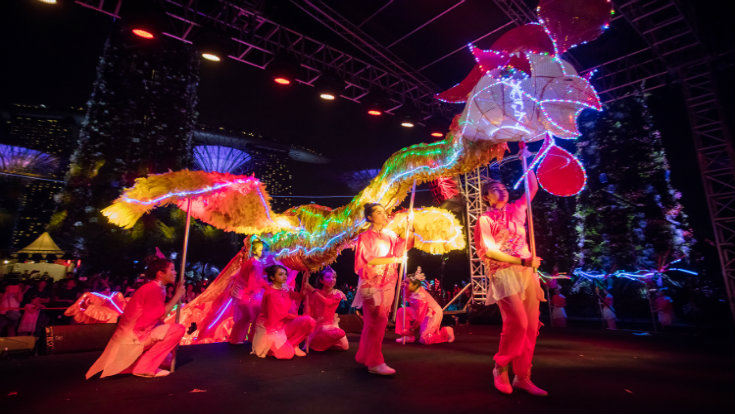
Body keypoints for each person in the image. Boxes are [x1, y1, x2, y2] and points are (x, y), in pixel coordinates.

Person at [474, 170, 548, 396]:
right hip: (503, 273)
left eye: (504, 188)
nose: (502, 191)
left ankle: (523, 376)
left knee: (531, 327)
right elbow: (489, 252)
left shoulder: (517, 209)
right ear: (487, 196)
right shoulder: (485, 220)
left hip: (526, 272)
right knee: (518, 322)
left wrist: (528, 161)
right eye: (496, 189)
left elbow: (532, 188)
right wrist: (523, 260)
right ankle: (500, 366)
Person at [86, 258, 185, 379]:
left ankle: (142, 364)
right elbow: (161, 315)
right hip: (135, 337)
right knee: (178, 330)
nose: (175, 273)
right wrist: (177, 296)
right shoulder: (152, 288)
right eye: (172, 269)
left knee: (166, 332)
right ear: (160, 273)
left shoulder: (158, 288)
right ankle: (145, 367)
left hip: (137, 333)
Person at [352, 202, 414, 375]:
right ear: (370, 217)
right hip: (371, 285)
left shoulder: (391, 235)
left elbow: (403, 248)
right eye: (378, 212)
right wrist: (394, 260)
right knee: (377, 321)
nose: (384, 215)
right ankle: (375, 362)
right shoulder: (364, 236)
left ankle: (365, 355)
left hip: (388, 283)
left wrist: (410, 229)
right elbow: (369, 259)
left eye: (384, 212)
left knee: (375, 322)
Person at [251, 265, 315, 359]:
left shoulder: (285, 289)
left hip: (282, 325)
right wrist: (298, 318)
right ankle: (272, 348)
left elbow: (300, 296)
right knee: (287, 355)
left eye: (285, 274)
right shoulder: (270, 293)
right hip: (271, 328)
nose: (285, 277)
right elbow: (279, 316)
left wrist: (304, 279)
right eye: (281, 274)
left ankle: (293, 344)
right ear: (272, 277)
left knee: (309, 321)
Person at [395, 267, 455, 345]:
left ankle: (446, 332)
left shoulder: (420, 296)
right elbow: (406, 301)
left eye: (407, 282)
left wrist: (411, 329)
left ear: (414, 284)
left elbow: (420, 316)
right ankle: (408, 337)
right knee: (402, 311)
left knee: (425, 339)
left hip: (431, 313)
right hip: (419, 311)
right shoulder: (410, 290)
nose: (404, 284)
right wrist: (404, 289)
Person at [229, 238, 267, 345]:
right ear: (254, 251)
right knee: (250, 316)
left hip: (244, 294)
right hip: (245, 295)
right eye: (260, 249)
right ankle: (239, 339)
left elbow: (257, 280)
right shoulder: (255, 264)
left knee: (250, 316)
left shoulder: (255, 262)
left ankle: (240, 339)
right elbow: (253, 283)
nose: (263, 252)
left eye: (264, 250)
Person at [303, 267, 349, 352]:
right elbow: (308, 305)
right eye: (328, 277)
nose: (332, 279)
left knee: (344, 346)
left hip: (331, 324)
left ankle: (325, 344)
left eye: (334, 277)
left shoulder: (337, 293)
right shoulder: (315, 292)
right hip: (317, 324)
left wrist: (312, 290)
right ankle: (318, 342)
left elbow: (328, 302)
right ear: (321, 280)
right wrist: (305, 277)